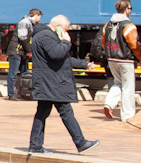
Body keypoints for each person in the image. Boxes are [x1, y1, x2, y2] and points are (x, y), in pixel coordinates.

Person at [27, 15, 99, 155]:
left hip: (48, 82)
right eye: (66, 29)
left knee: (42, 113)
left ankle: (35, 145)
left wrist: (84, 64)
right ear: (58, 27)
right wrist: (66, 42)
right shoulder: (46, 36)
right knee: (65, 111)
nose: (67, 32)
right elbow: (57, 54)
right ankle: (80, 142)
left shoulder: (46, 36)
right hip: (52, 83)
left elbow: (63, 59)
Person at [101, 0, 141, 123]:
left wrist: (109, 53)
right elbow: (134, 45)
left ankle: (109, 103)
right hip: (125, 60)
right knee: (128, 87)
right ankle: (127, 115)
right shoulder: (129, 26)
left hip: (112, 59)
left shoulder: (107, 25)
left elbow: (103, 42)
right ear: (126, 10)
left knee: (118, 83)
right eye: (130, 8)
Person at [7, 8, 41, 100]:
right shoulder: (25, 22)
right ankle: (11, 94)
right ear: (36, 15)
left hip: (22, 52)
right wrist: (29, 51)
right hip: (16, 51)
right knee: (13, 73)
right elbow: (23, 38)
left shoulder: (30, 24)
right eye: (39, 17)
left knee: (24, 73)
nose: (39, 20)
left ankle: (22, 93)